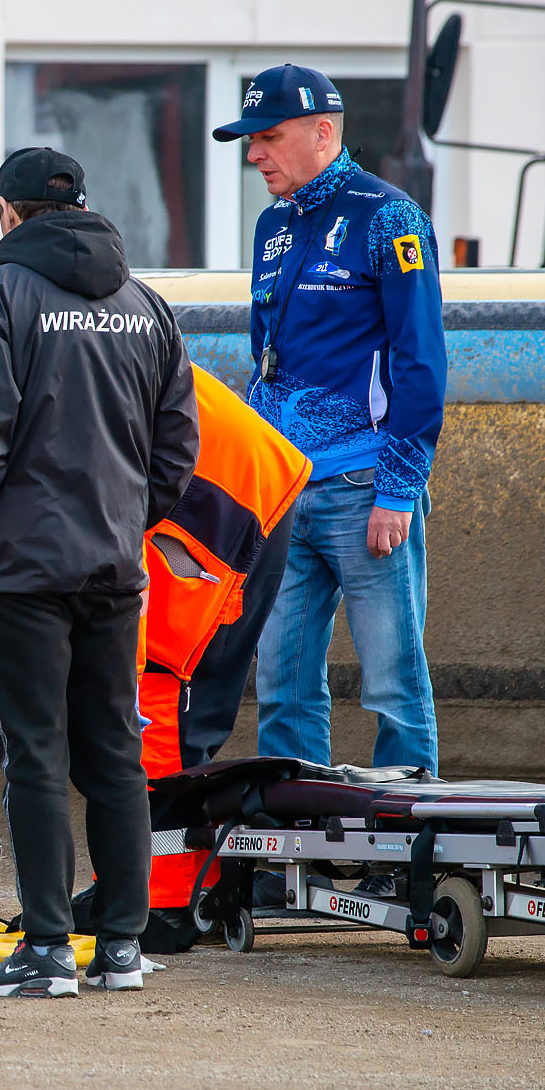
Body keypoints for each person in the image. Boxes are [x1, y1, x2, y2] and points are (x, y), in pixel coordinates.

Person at [0, 146, 198, 1000]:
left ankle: (49, 947)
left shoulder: (0, 295)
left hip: (20, 569)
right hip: (114, 565)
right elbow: (177, 451)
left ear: (8, 214)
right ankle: (121, 943)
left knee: (37, 753)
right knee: (117, 750)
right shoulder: (147, 304)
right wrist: (124, 519)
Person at [217, 65, 447, 792]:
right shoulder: (271, 225)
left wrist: (399, 489)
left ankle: (410, 848)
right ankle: (301, 845)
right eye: (251, 141)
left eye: (268, 138)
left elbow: (422, 363)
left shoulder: (391, 218)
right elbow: (266, 363)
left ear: (323, 132)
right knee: (283, 684)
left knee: (392, 682)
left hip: (362, 486)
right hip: (283, 493)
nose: (255, 154)